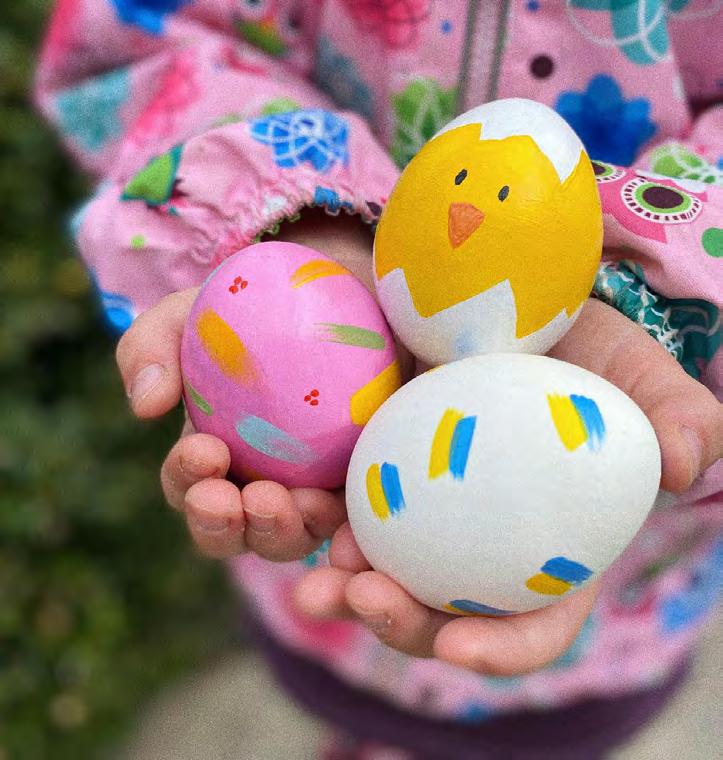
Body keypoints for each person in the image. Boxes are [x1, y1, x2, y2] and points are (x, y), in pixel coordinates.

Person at [36, 2, 722, 757]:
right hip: (326, 546)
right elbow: (146, 30)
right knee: (360, 667)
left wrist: (658, 302)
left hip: (621, 597)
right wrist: (301, 222)